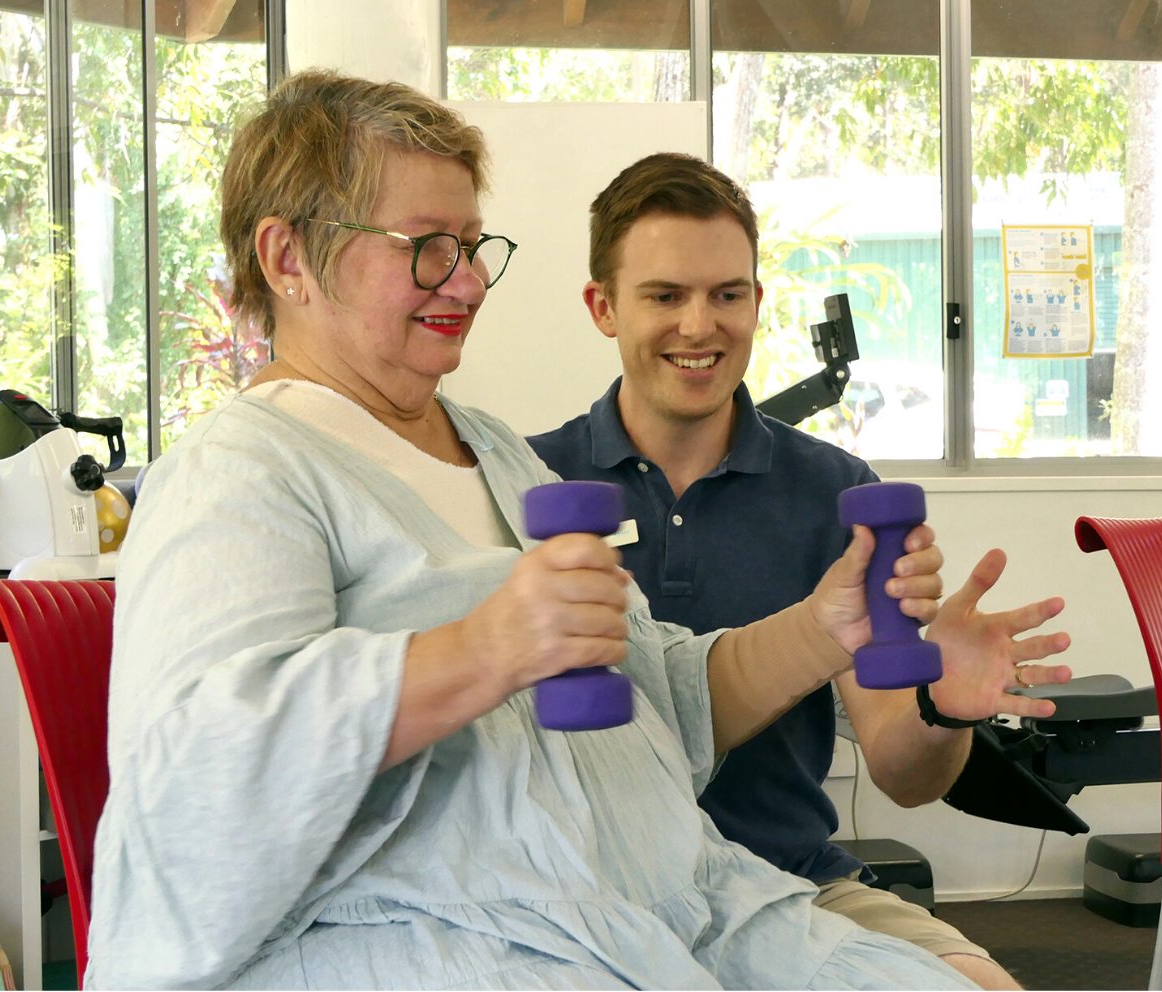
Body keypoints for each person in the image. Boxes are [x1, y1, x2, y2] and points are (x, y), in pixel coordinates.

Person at [81, 71, 1048, 991]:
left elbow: (654, 694)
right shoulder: (243, 471)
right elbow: (198, 770)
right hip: (458, 932)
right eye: (425, 245)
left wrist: (826, 626)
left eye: (472, 246)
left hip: (682, 896)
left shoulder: (496, 453)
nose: (463, 282)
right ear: (287, 257)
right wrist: (482, 648)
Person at [528, 153, 1073, 991]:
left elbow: (903, 770)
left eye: (727, 294)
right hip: (590, 892)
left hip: (796, 883)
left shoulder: (839, 495)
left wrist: (940, 709)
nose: (700, 326)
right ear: (603, 307)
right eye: (665, 296)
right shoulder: (529, 485)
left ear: (755, 299)